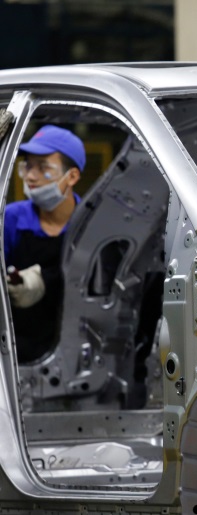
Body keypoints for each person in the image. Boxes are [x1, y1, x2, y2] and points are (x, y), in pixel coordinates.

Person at [4, 125, 85, 363]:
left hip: (74, 354)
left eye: (43, 167)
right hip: (18, 357)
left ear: (72, 176)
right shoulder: (10, 219)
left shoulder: (90, 224)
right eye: (28, 166)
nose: (30, 176)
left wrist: (46, 281)